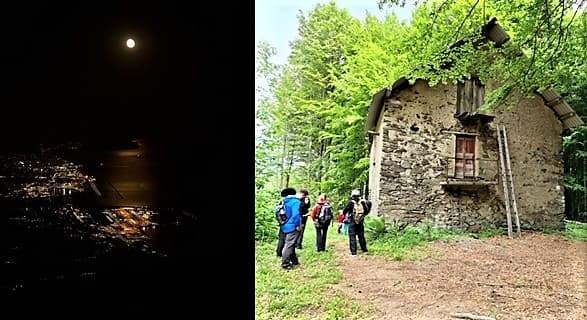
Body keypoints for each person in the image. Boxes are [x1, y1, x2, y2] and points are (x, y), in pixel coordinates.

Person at [342, 189, 371, 256]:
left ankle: (353, 252)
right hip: (360, 221)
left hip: (352, 221)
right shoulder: (363, 202)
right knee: (361, 236)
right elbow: (366, 211)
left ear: (352, 196)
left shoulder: (351, 203)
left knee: (352, 236)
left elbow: (344, 211)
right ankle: (364, 250)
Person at [279, 187, 302, 269]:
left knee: (291, 243)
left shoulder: (284, 201)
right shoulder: (295, 201)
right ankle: (285, 264)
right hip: (293, 226)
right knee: (289, 244)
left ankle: (294, 261)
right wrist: (297, 225)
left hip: (285, 225)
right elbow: (296, 214)